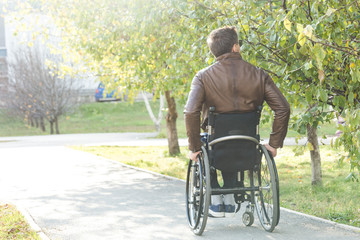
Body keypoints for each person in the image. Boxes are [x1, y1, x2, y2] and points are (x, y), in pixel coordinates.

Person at [184, 26, 290, 218]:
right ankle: (232, 195)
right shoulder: (259, 74)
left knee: (205, 144)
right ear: (235, 47)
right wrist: (274, 144)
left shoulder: (202, 77)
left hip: (217, 143)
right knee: (230, 141)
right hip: (248, 143)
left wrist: (194, 147)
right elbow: (283, 108)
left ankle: (215, 201)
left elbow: (191, 111)